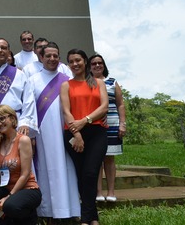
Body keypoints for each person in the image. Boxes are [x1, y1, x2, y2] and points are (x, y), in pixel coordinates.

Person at [30, 43, 80, 220]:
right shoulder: (33, 80)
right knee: (45, 168)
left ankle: (69, 210)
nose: (52, 59)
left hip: (64, 131)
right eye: (48, 56)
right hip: (42, 134)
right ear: (41, 58)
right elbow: (29, 109)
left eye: (55, 56)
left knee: (66, 168)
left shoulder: (67, 79)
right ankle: (47, 212)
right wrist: (31, 135)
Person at [61, 49, 108, 225]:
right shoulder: (66, 85)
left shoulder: (98, 83)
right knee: (81, 174)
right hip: (73, 133)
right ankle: (92, 217)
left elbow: (104, 107)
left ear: (85, 61)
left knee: (90, 172)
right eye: (71, 61)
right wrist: (77, 133)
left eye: (78, 60)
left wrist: (85, 120)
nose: (75, 64)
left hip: (96, 132)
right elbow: (66, 111)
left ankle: (86, 217)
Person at [0, 105, 42, 225]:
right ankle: (3, 216)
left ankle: (28, 219)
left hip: (27, 189)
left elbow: (25, 174)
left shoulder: (23, 140)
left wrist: (8, 197)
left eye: (2, 119)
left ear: (12, 119)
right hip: (7, 189)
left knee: (10, 205)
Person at [90, 54, 126, 203]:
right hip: (94, 124)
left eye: (100, 63)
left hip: (112, 123)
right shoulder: (88, 83)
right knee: (96, 159)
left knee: (109, 159)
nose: (97, 65)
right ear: (89, 67)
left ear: (104, 65)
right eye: (94, 63)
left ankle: (111, 192)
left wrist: (122, 123)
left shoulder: (112, 82)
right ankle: (98, 192)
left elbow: (120, 104)